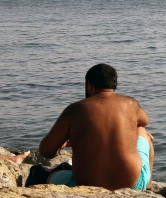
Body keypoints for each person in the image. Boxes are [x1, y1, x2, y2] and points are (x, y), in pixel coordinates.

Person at [38, 63, 154, 191]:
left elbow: (46, 151)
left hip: (85, 186)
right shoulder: (130, 103)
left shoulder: (75, 109)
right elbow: (144, 121)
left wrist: (67, 143)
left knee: (52, 176)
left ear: (89, 85)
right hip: (133, 185)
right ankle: (148, 186)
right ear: (114, 85)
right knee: (142, 131)